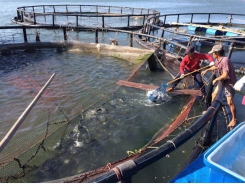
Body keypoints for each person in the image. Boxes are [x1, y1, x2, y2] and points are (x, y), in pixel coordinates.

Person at [201, 44, 237, 129]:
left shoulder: (225, 60)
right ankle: (211, 111)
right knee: (213, 95)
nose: (212, 54)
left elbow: (225, 74)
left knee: (230, 102)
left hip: (229, 82)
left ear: (216, 53)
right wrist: (207, 69)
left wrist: (216, 79)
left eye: (213, 53)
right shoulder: (218, 60)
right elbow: (216, 66)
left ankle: (234, 119)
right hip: (223, 81)